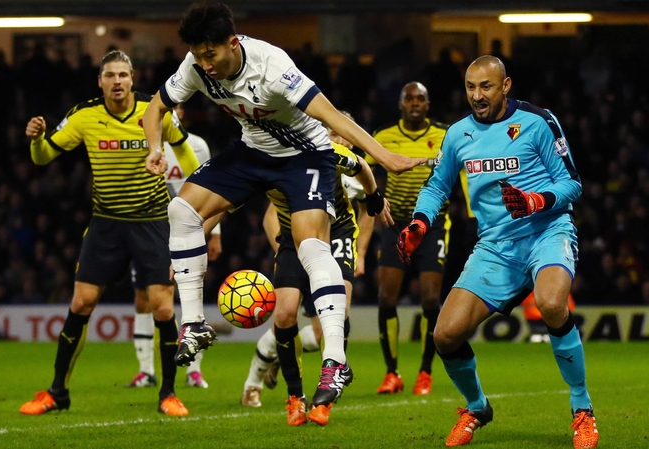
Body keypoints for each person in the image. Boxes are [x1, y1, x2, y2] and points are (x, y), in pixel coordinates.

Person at [142, 1, 424, 425]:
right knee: (181, 209)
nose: (205, 64)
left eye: (211, 54)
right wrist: (151, 150)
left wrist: (383, 155)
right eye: (198, 55)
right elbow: (153, 109)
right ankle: (195, 324)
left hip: (305, 156)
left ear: (232, 43)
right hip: (253, 150)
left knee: (311, 247)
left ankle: (335, 361)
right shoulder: (195, 66)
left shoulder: (272, 65)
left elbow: (329, 115)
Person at [397, 55, 598, 449]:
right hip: (495, 246)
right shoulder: (457, 134)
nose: (476, 95)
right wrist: (420, 222)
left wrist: (537, 201)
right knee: (445, 335)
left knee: (552, 303)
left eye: (485, 87)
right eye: (470, 87)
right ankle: (477, 407)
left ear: (505, 86)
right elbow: (437, 185)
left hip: (546, 231)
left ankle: (582, 410)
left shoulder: (539, 122)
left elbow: (572, 183)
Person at [19, 50, 200, 417]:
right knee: (81, 303)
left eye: (123, 75)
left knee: (163, 308)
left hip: (152, 222)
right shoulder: (84, 115)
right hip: (106, 223)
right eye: (110, 75)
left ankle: (168, 394)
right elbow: (42, 158)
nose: (117, 81)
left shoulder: (155, 111)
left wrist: (200, 205)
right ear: (99, 81)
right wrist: (36, 140)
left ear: (132, 79)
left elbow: (189, 157)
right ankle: (57, 392)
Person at [241, 117, 386, 428]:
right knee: (284, 315)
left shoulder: (333, 156)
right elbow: (269, 216)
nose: (342, 140)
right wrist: (282, 250)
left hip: (338, 234)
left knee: (339, 314)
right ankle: (295, 397)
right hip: (294, 241)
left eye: (345, 135)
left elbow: (363, 171)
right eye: (336, 133)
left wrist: (362, 244)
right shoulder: (279, 159)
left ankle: (327, 399)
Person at [128, 103, 219, 389]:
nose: (172, 113)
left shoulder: (198, 146)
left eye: (176, 109)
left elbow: (212, 190)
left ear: (182, 115)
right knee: (144, 299)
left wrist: (216, 233)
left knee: (190, 294)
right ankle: (146, 371)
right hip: (149, 229)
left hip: (189, 229)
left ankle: (195, 370)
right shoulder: (147, 146)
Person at [369, 82, 449, 396]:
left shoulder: (444, 136)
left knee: (430, 299)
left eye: (421, 99)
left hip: (433, 224)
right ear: (401, 104)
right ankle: (392, 373)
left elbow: (459, 174)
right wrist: (372, 200)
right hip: (394, 223)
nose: (415, 103)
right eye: (409, 98)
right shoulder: (383, 136)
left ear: (428, 105)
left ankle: (425, 373)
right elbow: (367, 171)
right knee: (387, 298)